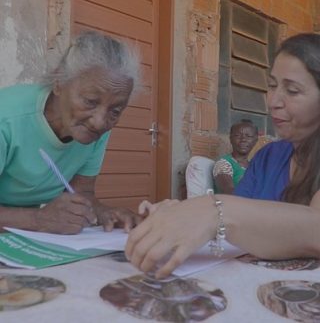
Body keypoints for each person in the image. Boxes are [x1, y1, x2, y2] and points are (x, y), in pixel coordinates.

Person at [125, 32, 320, 278]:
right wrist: (182, 215)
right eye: (271, 86)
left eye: (292, 91)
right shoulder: (267, 157)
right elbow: (239, 220)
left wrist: (212, 210)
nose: (273, 101)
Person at [0, 31, 142, 234]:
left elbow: (81, 193)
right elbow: (41, 220)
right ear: (59, 83)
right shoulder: (6, 118)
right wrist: (38, 219)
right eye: (90, 101)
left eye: (115, 110)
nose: (99, 122)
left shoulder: (95, 128)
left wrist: (104, 212)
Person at [213, 119, 258, 194]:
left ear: (255, 140)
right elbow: (229, 192)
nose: (243, 139)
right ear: (230, 138)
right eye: (237, 135)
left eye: (248, 136)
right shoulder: (224, 164)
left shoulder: (254, 167)